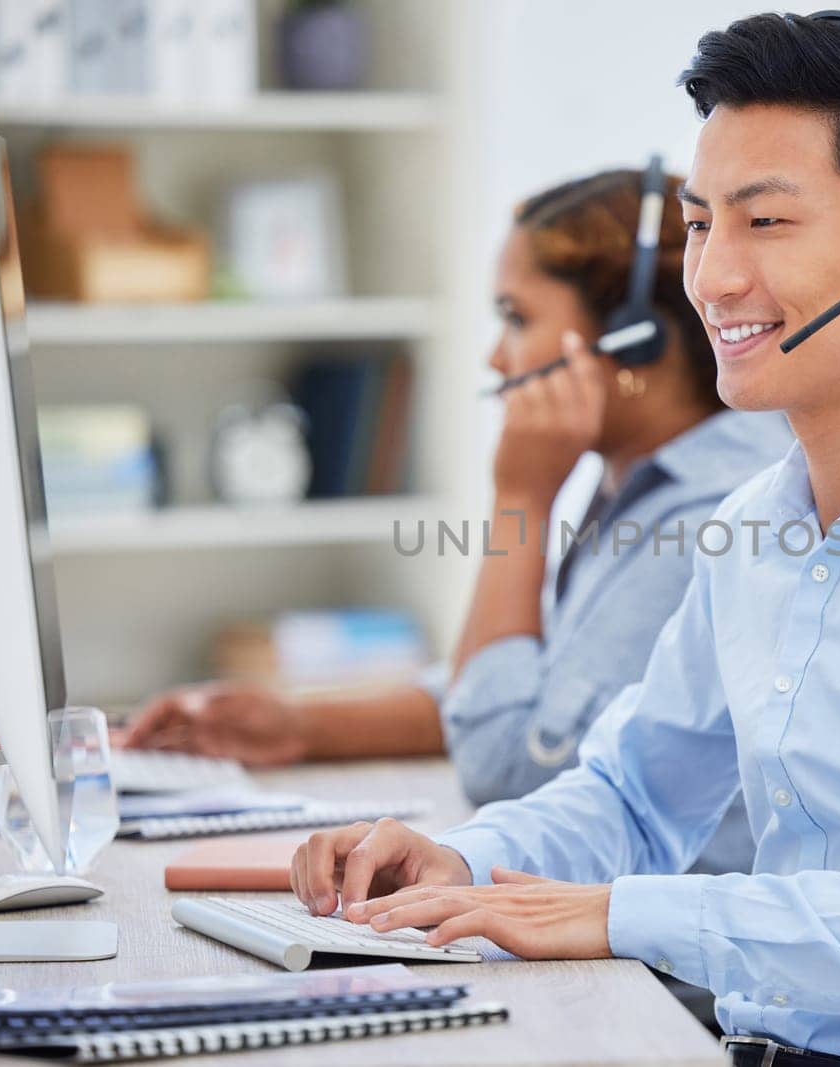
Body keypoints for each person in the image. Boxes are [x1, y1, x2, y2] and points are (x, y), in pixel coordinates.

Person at [286, 12, 840, 1066]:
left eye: (765, 224)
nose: (709, 278)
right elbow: (632, 790)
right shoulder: (753, 524)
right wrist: (460, 861)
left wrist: (626, 913)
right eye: (703, 224)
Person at [124, 165, 792, 876]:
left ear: (634, 340)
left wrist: (520, 501)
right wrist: (292, 725)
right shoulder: (637, 482)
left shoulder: (708, 513)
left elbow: (506, 759)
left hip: (664, 970)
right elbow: (509, 692)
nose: (495, 356)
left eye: (517, 317)